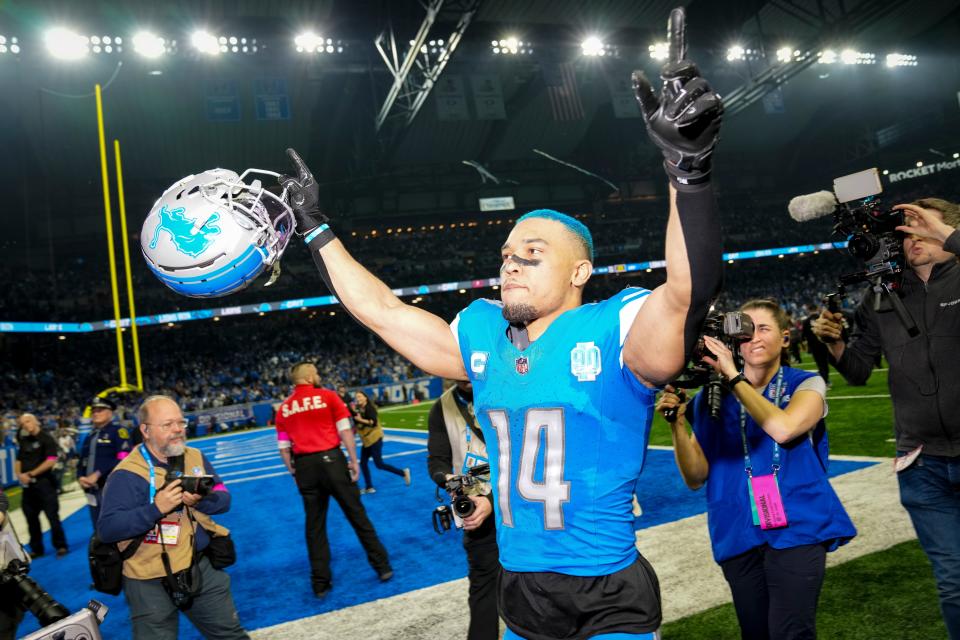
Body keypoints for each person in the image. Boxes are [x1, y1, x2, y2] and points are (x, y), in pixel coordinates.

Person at [278, 8, 724, 637]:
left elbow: (688, 291)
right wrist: (317, 232)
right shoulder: (482, 332)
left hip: (608, 586)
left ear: (579, 273)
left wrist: (688, 171)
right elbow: (381, 310)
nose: (511, 265)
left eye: (533, 255)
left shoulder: (614, 326)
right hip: (518, 584)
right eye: (507, 255)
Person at [658, 299, 856, 640]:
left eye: (764, 328)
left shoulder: (805, 384)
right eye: (746, 330)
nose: (754, 338)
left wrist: (733, 376)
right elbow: (695, 476)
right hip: (736, 530)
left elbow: (784, 428)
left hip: (798, 525)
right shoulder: (710, 398)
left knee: (789, 632)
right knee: (756, 633)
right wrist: (677, 425)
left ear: (786, 338)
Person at [812, 198, 960, 639]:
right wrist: (835, 345)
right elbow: (858, 370)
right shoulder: (883, 294)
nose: (911, 238)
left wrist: (941, 231)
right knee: (954, 583)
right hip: (922, 463)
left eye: (922, 229)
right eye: (905, 231)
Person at [97, 395, 248, 640]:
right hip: (149, 579)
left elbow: (224, 497)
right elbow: (108, 529)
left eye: (181, 422)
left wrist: (204, 500)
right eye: (167, 425)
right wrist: (156, 508)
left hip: (199, 567)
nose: (178, 430)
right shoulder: (126, 474)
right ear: (145, 430)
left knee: (231, 635)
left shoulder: (194, 456)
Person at [275, 362, 393, 597]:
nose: (318, 376)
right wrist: (354, 460)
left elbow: (284, 448)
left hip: (305, 466)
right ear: (309, 377)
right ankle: (382, 567)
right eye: (316, 373)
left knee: (314, 526)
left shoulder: (283, 409)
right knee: (357, 515)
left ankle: (320, 583)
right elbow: (345, 431)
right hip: (332, 461)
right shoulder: (328, 397)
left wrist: (294, 473)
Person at [427, 380, 500, 640]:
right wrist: (446, 478)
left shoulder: (505, 387)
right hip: (475, 507)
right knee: (483, 589)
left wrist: (492, 498)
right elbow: (437, 459)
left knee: (538, 583)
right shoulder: (442, 406)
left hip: (523, 506)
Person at [14, 413, 68, 558]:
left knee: (52, 517)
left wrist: (30, 474)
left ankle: (61, 545)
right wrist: (20, 475)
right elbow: (18, 460)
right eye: (23, 422)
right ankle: (37, 549)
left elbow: (51, 460)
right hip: (28, 488)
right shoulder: (24, 440)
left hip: (45, 485)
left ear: (36, 421)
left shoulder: (47, 439)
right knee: (31, 519)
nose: (26, 424)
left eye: (28, 420)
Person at [77, 396, 133, 526]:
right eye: (93, 411)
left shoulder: (119, 431)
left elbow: (123, 457)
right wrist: (80, 477)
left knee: (116, 525)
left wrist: (97, 474)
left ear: (110, 413)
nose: (95, 413)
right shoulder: (90, 436)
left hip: (111, 487)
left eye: (100, 410)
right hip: (91, 489)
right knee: (98, 525)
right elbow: (82, 460)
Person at [353, 389, 411, 494]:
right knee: (363, 463)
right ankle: (369, 487)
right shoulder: (358, 410)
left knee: (379, 464)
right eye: (356, 397)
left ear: (365, 397)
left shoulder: (370, 408)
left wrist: (359, 420)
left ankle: (403, 473)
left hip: (375, 438)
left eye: (360, 396)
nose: (358, 399)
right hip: (367, 441)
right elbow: (357, 424)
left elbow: (373, 423)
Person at [801, 302, 831, 385]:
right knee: (825, 362)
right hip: (824, 344)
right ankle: (826, 379)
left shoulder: (806, 321)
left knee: (820, 363)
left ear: (808, 310)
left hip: (813, 346)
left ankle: (825, 380)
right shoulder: (822, 318)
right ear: (817, 309)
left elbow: (803, 336)